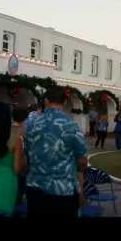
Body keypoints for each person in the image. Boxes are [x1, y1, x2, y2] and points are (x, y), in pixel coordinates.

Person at [25, 86, 88, 217]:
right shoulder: (72, 127)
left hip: (35, 188)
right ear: (64, 102)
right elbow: (82, 161)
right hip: (63, 190)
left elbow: (27, 153)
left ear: (46, 101)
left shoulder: (31, 125)